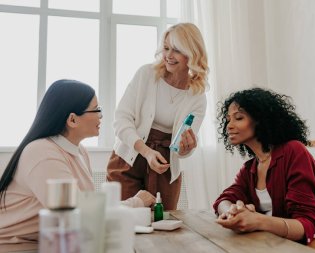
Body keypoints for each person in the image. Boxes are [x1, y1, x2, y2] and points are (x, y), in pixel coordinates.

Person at [0, 80, 155, 252]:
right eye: (97, 110)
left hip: (53, 245)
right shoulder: (41, 152)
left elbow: (87, 212)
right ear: (72, 119)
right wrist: (136, 202)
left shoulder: (80, 152)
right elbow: (80, 217)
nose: (101, 116)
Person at [213, 88, 315, 253]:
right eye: (228, 120)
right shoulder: (250, 168)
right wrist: (232, 211)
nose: (229, 126)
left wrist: (258, 221)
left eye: (239, 118)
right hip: (278, 247)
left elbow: (308, 224)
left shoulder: (293, 151)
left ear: (261, 120)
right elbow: (224, 199)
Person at [107, 22, 209, 210]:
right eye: (166, 48)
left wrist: (187, 148)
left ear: (192, 53)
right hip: (129, 156)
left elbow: (181, 149)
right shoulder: (146, 74)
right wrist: (146, 152)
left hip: (165, 166)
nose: (169, 55)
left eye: (176, 50)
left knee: (163, 224)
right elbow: (121, 120)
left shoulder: (197, 97)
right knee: (123, 219)